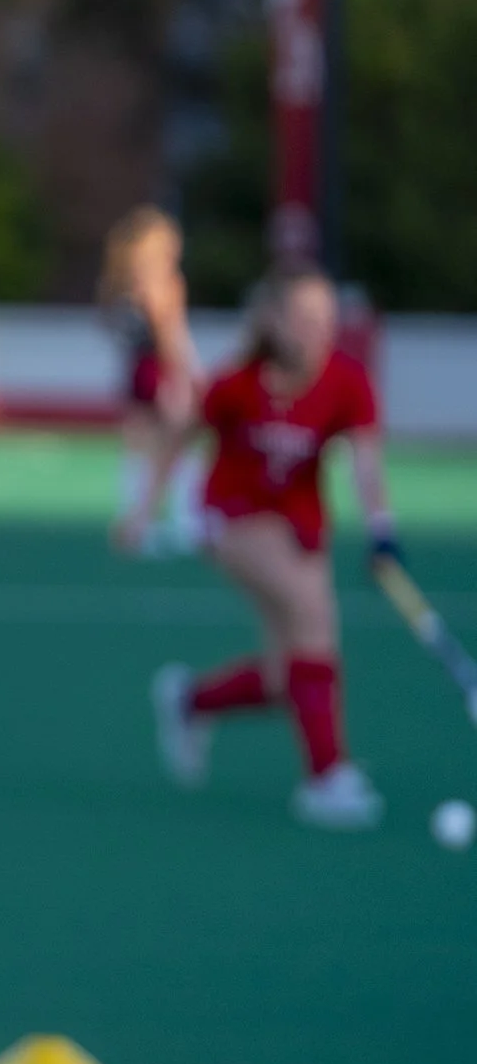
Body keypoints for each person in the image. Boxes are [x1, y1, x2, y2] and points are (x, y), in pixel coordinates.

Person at [140, 267, 396, 830]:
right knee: (313, 610)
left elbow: (366, 462)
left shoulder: (348, 382)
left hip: (301, 525)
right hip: (229, 517)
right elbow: (180, 436)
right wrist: (144, 508)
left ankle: (190, 702)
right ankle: (327, 777)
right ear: (274, 321)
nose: (317, 331)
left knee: (289, 677)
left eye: (327, 320)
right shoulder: (237, 383)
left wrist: (382, 527)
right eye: (304, 318)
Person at [101, 206, 202, 557]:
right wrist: (185, 374)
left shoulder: (127, 281)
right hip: (159, 369)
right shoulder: (159, 283)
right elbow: (169, 334)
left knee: (142, 446)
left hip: (140, 370)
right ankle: (175, 521)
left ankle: (140, 521)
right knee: (176, 443)